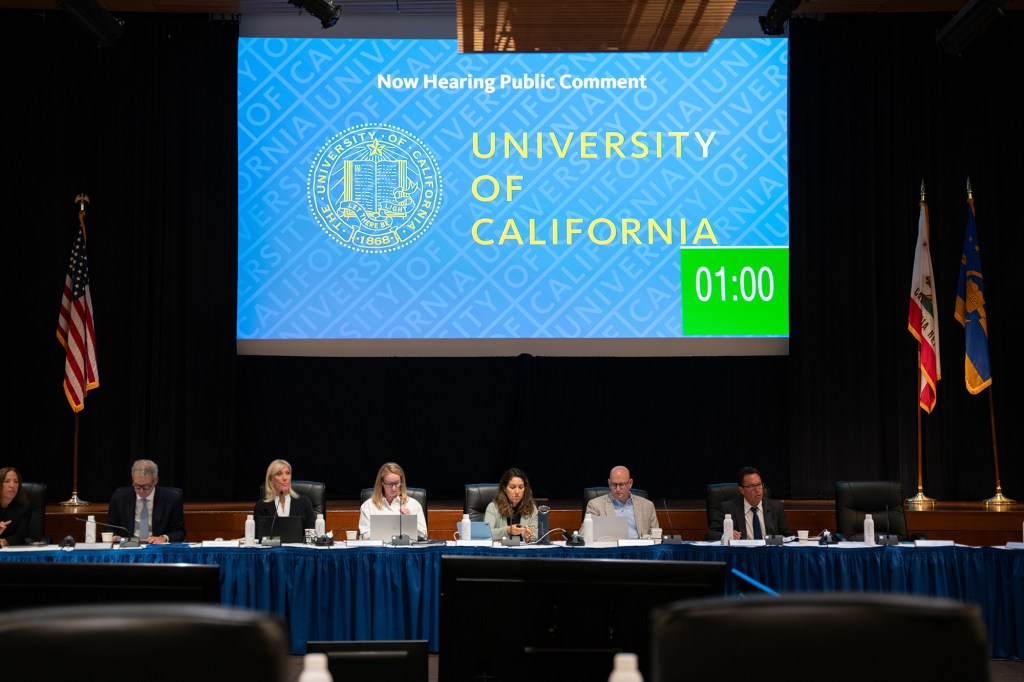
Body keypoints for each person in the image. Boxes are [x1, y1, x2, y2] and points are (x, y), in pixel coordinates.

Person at [107, 459, 186, 544]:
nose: (141, 491)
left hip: (156, 547)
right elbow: (110, 527)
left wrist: (163, 538)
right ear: (132, 479)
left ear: (156, 480)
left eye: (146, 486)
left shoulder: (172, 498)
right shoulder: (119, 497)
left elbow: (179, 532)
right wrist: (115, 536)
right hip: (129, 545)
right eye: (137, 486)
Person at [705, 466, 791, 541]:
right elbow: (710, 535)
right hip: (742, 555)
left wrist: (783, 539)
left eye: (759, 484)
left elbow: (787, 536)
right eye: (752, 486)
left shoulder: (775, 507)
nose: (757, 490)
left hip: (769, 555)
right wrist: (726, 535)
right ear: (741, 490)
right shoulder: (728, 508)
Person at [585, 465, 658, 539]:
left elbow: (655, 535)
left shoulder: (647, 505)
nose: (618, 489)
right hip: (612, 548)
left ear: (630, 483)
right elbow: (583, 534)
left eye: (621, 484)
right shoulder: (595, 505)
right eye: (614, 484)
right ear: (609, 483)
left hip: (639, 548)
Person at [358, 462, 427, 540]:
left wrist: (410, 520)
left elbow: (423, 535)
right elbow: (364, 536)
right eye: (389, 484)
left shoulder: (413, 504)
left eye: (396, 483)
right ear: (381, 483)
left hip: (405, 550)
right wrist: (389, 535)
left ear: (401, 482)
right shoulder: (368, 506)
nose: (393, 488)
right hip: (379, 550)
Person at [254, 458, 316, 530]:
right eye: (279, 474)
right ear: (271, 480)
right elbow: (257, 535)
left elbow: (312, 531)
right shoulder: (261, 506)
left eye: (287, 473)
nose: (285, 478)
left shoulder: (304, 502)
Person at [484, 467, 538, 542]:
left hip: (523, 550)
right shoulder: (493, 507)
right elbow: (486, 533)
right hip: (501, 551)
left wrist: (528, 537)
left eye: (521, 487)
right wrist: (507, 530)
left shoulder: (532, 509)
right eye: (512, 487)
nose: (517, 491)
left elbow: (536, 534)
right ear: (504, 488)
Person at [0, 467, 32, 547]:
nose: (12, 485)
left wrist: (4, 541)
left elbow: (20, 536)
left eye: (16, 482)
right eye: (7, 481)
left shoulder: (25, 506)